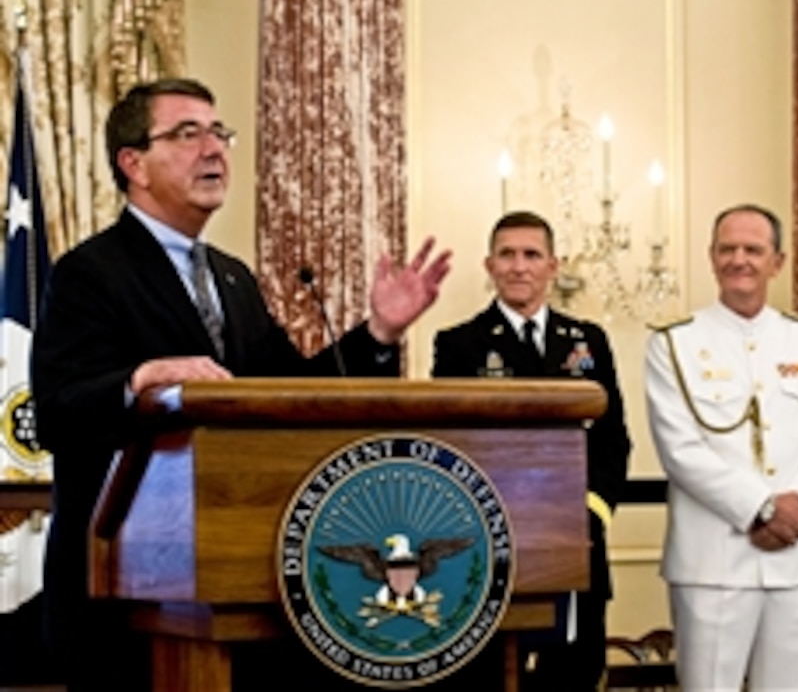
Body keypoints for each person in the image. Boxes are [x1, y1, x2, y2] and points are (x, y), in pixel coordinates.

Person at [29, 77, 451, 691]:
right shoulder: (89, 273)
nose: (215, 148)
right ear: (133, 164)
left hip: (232, 588)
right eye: (187, 133)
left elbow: (296, 394)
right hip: (122, 596)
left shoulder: (232, 280)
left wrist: (379, 333)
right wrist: (141, 379)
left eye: (218, 132)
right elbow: (58, 415)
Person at [645, 204, 798, 691]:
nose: (740, 260)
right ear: (711, 258)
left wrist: (796, 511)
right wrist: (760, 508)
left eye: (753, 250)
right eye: (727, 249)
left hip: (792, 558)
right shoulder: (675, 342)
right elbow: (681, 449)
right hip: (711, 560)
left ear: (776, 261)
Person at [432, 210, 631, 691]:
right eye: (507, 255)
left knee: (575, 672)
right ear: (489, 265)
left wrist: (591, 511)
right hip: (492, 536)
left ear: (553, 266)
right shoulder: (459, 344)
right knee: (492, 675)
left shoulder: (587, 341)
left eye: (531, 255)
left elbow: (612, 438)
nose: (519, 266)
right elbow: (451, 442)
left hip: (575, 536)